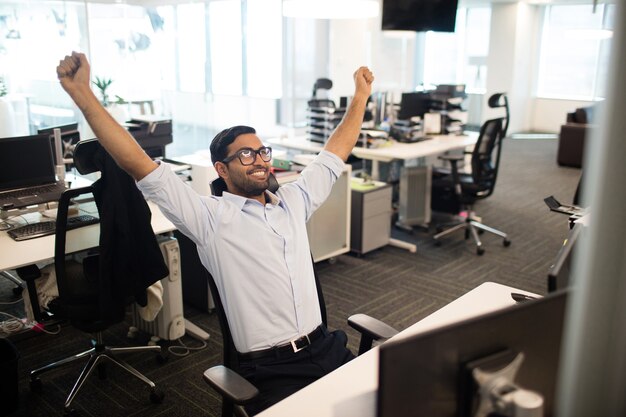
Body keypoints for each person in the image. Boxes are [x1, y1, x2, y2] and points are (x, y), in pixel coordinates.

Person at [56, 51, 374, 414]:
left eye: (262, 151)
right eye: (245, 155)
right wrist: (82, 94)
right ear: (222, 169)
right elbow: (138, 163)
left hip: (327, 348)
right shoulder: (210, 219)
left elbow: (335, 151)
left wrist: (361, 96)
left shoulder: (294, 200)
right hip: (272, 370)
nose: (260, 161)